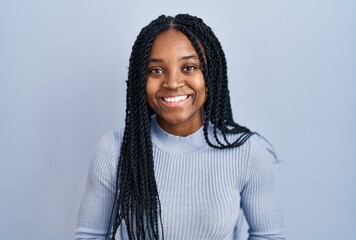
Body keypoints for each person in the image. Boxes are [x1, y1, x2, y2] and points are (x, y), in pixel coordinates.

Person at [75, 14, 285, 240]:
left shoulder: (246, 152)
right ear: (140, 80)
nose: (173, 83)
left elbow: (268, 236)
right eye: (156, 70)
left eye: (189, 67)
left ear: (210, 74)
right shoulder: (114, 149)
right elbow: (90, 237)